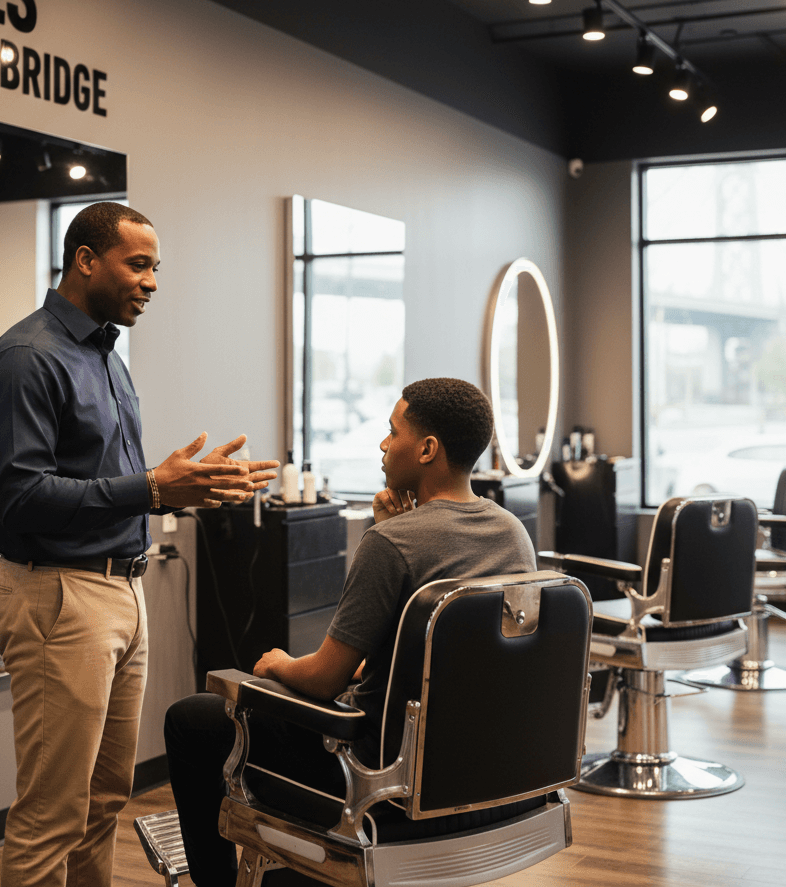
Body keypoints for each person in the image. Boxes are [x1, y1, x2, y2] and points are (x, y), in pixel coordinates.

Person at [0, 201, 278, 887]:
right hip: (58, 596)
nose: (153, 281)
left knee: (105, 798)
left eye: (155, 267)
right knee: (52, 813)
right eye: (138, 264)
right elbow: (21, 497)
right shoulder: (27, 359)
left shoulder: (106, 357)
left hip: (120, 590)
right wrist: (154, 488)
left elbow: (116, 483)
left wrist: (192, 486)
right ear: (85, 260)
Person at [164, 377, 536, 887]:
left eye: (392, 432)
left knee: (192, 718)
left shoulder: (392, 543)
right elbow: (440, 653)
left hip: (377, 774)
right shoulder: (513, 533)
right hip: (484, 772)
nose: (383, 444)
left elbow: (321, 679)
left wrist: (276, 665)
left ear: (427, 449)